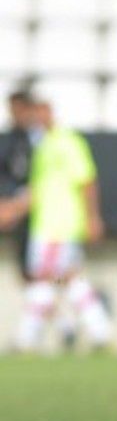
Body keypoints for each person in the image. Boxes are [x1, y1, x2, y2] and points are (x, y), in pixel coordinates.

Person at [0, 97, 112, 352]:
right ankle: (100, 332)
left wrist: (93, 218)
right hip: (48, 224)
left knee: (42, 280)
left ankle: (26, 340)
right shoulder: (43, 147)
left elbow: (87, 180)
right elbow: (39, 190)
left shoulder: (68, 142)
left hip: (57, 225)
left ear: (48, 111)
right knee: (69, 279)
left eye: (39, 111)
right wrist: (13, 209)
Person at [2, 87, 36, 288]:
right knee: (26, 270)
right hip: (14, 209)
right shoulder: (9, 139)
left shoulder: (40, 139)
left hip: (39, 212)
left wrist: (20, 203)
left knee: (48, 271)